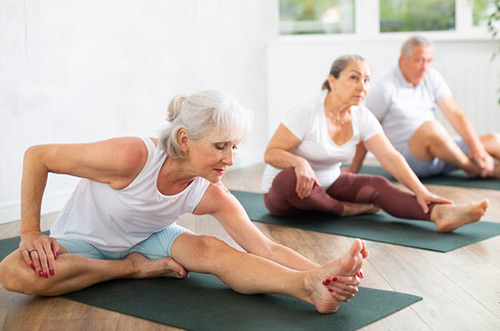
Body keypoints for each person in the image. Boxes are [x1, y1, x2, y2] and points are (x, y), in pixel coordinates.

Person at [0, 90, 368, 314]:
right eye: (220, 146)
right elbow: (38, 156)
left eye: (236, 146)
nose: (230, 158)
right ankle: (132, 269)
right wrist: (30, 231)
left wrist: (324, 274)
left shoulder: (210, 190)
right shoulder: (132, 156)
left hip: (148, 237)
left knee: (213, 249)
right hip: (82, 241)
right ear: (185, 139)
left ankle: (306, 286)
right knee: (12, 272)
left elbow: (265, 248)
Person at [262, 55, 489, 233]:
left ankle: (440, 214)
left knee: (378, 184)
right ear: (333, 80)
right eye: (354, 78)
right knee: (290, 178)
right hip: (285, 198)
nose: (362, 86)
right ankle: (343, 209)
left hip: (328, 184)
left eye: (367, 80)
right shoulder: (307, 110)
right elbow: (271, 153)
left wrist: (421, 190)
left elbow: (390, 157)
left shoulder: (362, 115)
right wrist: (298, 162)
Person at [361, 35, 500, 179]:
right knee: (431, 128)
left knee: (495, 140)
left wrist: (479, 150)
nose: (425, 67)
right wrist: (355, 167)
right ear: (403, 59)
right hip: (409, 160)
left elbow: (455, 113)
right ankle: (473, 170)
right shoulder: (384, 88)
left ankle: (489, 171)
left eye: (429, 61)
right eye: (419, 61)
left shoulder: (431, 76)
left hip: (442, 151)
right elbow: (366, 130)